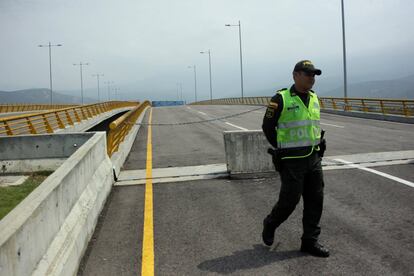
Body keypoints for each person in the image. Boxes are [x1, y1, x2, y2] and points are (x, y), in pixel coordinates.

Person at [261, 60, 329, 257]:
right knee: (289, 201)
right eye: (307, 74)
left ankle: (310, 241)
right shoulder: (281, 98)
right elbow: (267, 126)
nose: (311, 78)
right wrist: (280, 148)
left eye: (314, 75)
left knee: (316, 200)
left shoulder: (315, 98)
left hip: (314, 157)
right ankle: (270, 223)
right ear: (295, 75)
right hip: (292, 160)